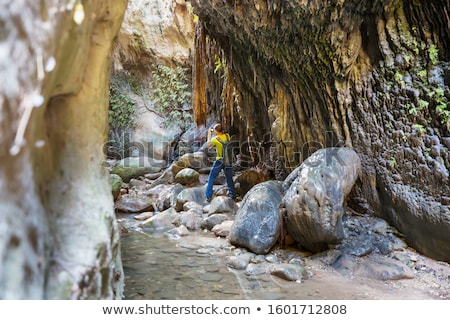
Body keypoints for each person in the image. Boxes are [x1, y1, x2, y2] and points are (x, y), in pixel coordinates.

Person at [205, 123, 236, 201]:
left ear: (215, 131)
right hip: (228, 160)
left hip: (219, 161)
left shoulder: (215, 139)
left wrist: (209, 134)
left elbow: (208, 146)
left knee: (212, 177)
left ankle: (208, 195)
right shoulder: (227, 136)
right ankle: (233, 195)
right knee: (229, 178)